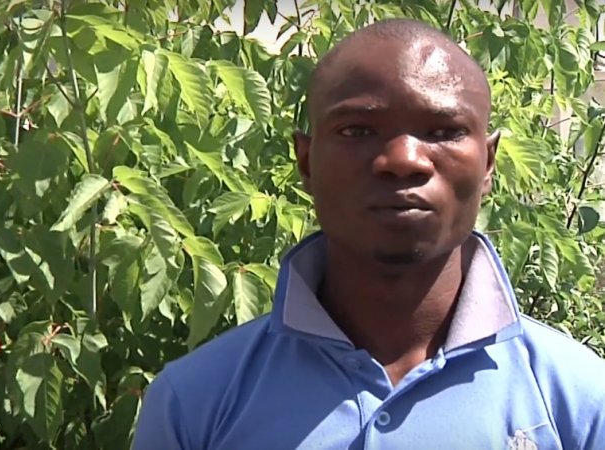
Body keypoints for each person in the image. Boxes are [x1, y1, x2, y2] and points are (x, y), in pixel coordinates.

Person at [133, 18, 605, 449]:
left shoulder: (578, 400)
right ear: (306, 162)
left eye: (443, 131)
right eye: (358, 131)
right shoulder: (195, 401)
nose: (404, 160)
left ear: (488, 163)